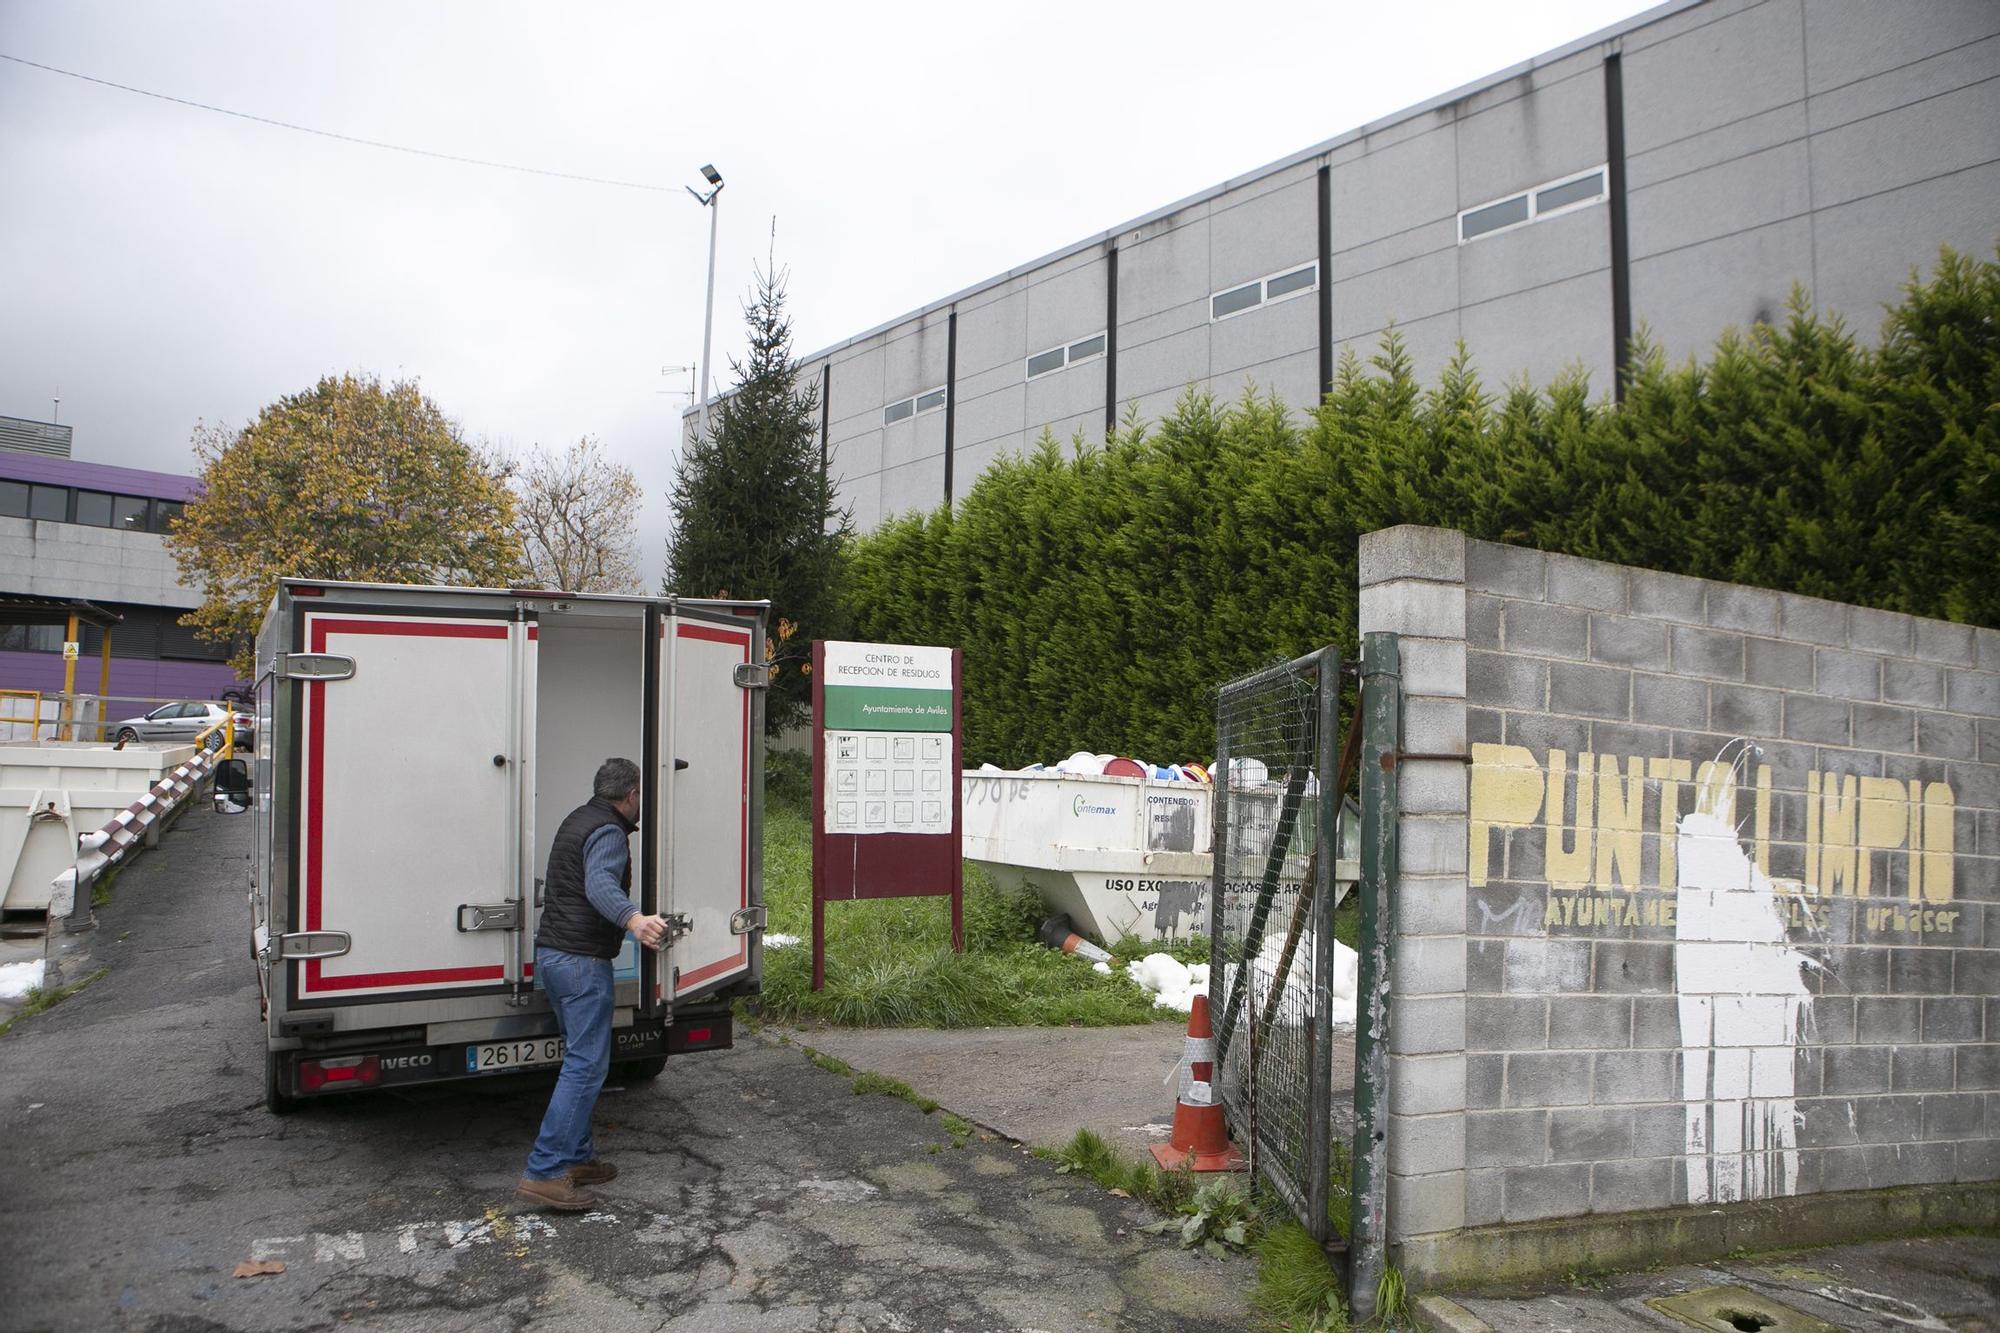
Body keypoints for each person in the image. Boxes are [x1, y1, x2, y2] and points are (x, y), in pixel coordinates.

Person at [515, 757, 671, 1212]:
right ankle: (545, 1172)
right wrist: (635, 920)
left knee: (578, 1062)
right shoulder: (608, 831)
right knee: (586, 1068)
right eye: (642, 795)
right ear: (632, 795)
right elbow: (600, 883)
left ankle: (576, 1158)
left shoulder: (577, 818)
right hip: (581, 963)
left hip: (556, 956)